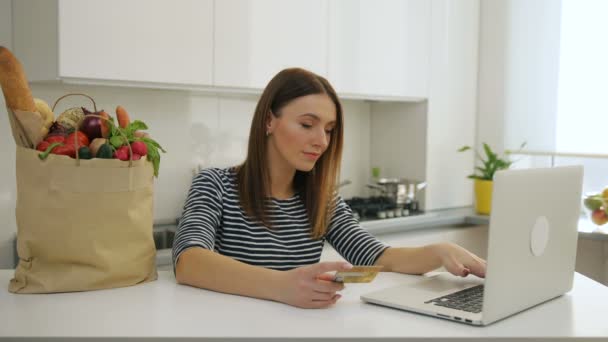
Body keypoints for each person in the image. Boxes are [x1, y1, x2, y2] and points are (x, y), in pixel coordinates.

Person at [173, 68, 486, 309]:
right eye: (307, 125)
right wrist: (282, 286)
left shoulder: (322, 199)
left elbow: (377, 256)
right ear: (269, 121)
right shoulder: (214, 185)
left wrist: (440, 251)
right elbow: (189, 261)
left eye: (329, 130)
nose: (322, 141)